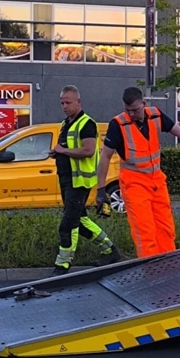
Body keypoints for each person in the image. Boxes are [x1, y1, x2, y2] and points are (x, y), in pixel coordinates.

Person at [95, 86, 180, 258]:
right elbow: (104, 157)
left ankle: (169, 267)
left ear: (143, 103)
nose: (132, 114)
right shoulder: (118, 125)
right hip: (134, 184)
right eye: (128, 111)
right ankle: (151, 272)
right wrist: (100, 191)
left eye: (135, 110)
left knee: (166, 229)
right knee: (145, 232)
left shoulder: (156, 115)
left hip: (157, 181)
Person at [49, 85, 122, 275]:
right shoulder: (66, 123)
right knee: (80, 221)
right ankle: (110, 251)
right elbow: (67, 147)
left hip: (79, 182)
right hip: (68, 180)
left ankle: (63, 264)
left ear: (78, 102)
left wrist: (63, 151)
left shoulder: (87, 123)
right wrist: (57, 152)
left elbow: (88, 150)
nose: (64, 106)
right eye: (62, 103)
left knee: (68, 225)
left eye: (68, 102)